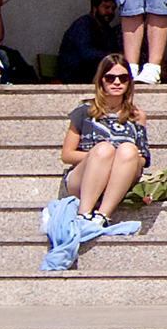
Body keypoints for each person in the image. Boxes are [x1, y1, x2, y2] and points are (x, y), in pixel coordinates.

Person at [60, 53, 150, 229]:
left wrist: (122, 158)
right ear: (101, 80)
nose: (117, 82)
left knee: (128, 150)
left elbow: (144, 157)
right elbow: (67, 155)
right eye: (110, 78)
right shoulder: (84, 112)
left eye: (123, 78)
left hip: (120, 176)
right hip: (84, 177)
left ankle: (102, 216)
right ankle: (84, 215)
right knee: (104, 150)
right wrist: (102, 157)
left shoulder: (137, 116)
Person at [56, 0, 124, 84]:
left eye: (113, 9)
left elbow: (114, 51)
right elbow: (86, 53)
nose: (110, 12)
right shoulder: (83, 25)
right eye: (106, 7)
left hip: (94, 76)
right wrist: (110, 56)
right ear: (94, 8)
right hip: (73, 75)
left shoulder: (107, 30)